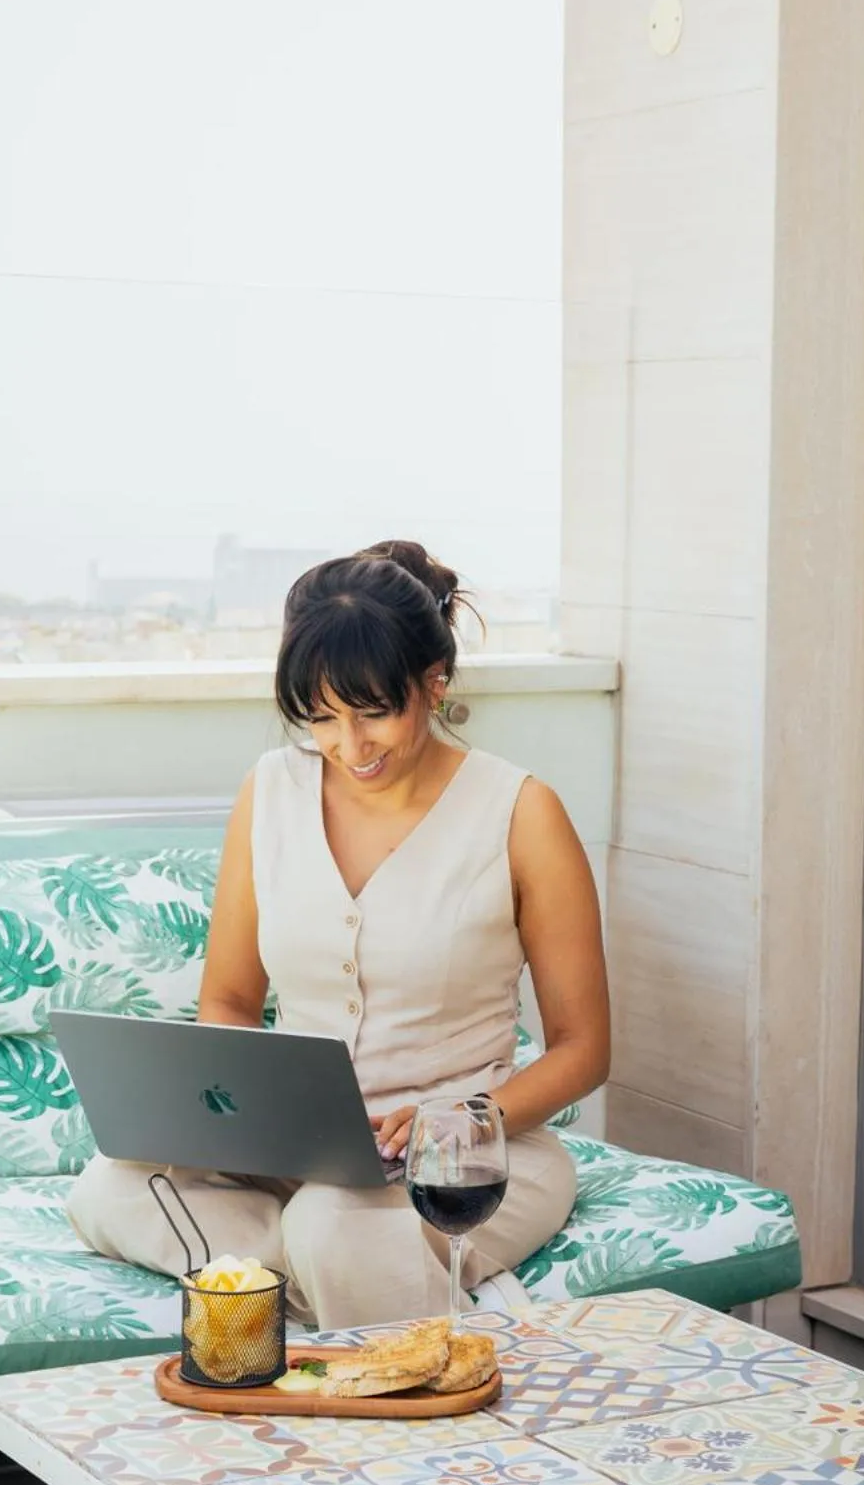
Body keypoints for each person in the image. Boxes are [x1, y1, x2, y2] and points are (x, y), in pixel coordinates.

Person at [67, 543, 610, 1326]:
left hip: (465, 1158)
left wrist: (466, 1117)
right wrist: (234, 1119)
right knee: (111, 1190)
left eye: (372, 713)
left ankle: (340, 1303)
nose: (348, 748)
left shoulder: (522, 814)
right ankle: (333, 1277)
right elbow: (230, 999)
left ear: (433, 683)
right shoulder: (270, 791)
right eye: (320, 718)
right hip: (297, 1155)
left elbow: (583, 1048)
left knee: (330, 1225)